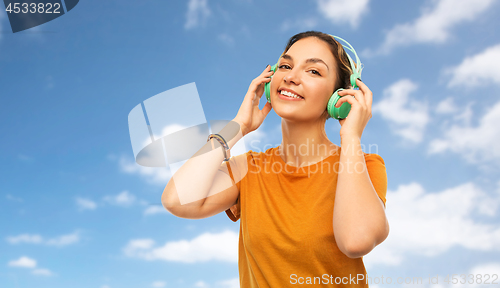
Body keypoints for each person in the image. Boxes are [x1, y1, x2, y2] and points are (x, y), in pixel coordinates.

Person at [162, 30, 389, 287]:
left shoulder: (365, 165)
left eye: (313, 71)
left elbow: (355, 241)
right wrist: (239, 126)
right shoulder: (249, 168)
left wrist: (351, 137)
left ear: (340, 98)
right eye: (285, 65)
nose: (291, 77)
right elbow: (176, 200)